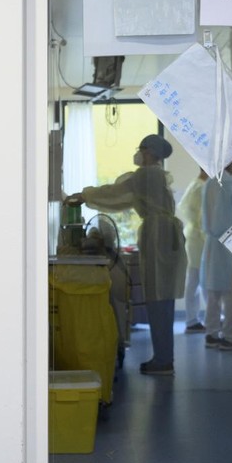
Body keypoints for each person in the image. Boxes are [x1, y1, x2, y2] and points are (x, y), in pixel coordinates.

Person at [66, 134, 186, 376]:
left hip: (157, 238)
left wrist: (85, 195)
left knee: (157, 299)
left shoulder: (146, 175)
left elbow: (116, 193)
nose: (138, 153)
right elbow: (123, 199)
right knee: (163, 299)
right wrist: (89, 197)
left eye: (141, 149)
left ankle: (163, 361)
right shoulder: (157, 176)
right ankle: (165, 358)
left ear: (151, 152)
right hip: (166, 237)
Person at [201, 162, 232, 350]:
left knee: (213, 291)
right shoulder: (230, 183)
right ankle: (229, 336)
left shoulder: (210, 183)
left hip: (213, 241)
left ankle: (211, 333)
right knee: (230, 292)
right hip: (229, 241)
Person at [177, 168, 208, 333]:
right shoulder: (203, 188)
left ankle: (192, 320)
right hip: (200, 239)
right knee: (203, 281)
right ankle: (201, 320)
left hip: (192, 237)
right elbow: (204, 219)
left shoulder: (194, 184)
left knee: (194, 280)